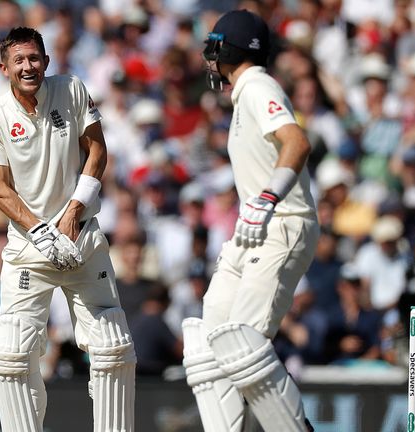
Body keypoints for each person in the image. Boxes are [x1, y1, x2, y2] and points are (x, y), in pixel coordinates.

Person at [0, 27, 135, 432]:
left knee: (112, 348)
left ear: (46, 60)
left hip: (81, 240)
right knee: (11, 356)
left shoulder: (72, 90)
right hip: (30, 248)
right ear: (4, 67)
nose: (29, 67)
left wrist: (74, 210)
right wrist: (42, 231)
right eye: (20, 61)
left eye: (35, 58)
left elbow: (97, 149)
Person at [181, 10, 319, 432]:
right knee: (207, 347)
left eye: (213, 49)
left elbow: (297, 141)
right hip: (251, 230)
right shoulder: (245, 94)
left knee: (242, 345)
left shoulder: (259, 87)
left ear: (227, 48)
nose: (209, 60)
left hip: (282, 223)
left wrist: (268, 196)